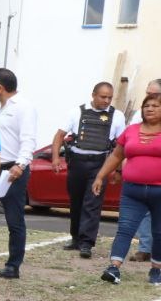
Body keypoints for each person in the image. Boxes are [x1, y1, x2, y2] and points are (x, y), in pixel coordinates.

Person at [50, 81, 125, 258]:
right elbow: (59, 136)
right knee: (76, 201)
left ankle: (86, 243)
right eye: (103, 97)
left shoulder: (118, 116)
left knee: (92, 203)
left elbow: (121, 146)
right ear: (93, 95)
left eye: (109, 97)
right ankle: (75, 238)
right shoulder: (76, 112)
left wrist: (118, 170)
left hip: (100, 164)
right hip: (77, 163)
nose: (107, 101)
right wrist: (55, 158)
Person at [95, 94, 161, 285]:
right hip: (133, 191)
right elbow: (116, 156)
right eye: (146, 105)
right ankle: (114, 268)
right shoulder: (131, 131)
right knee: (125, 229)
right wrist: (100, 176)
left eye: (155, 106)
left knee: (159, 232)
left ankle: (156, 270)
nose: (149, 109)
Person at [0, 68, 37, 279]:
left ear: (0, 87)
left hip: (12, 169)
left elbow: (28, 139)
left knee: (14, 219)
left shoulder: (24, 107)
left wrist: (21, 164)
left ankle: (13, 265)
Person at [126, 78, 161, 263]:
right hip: (143, 180)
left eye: (153, 93)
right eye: (147, 92)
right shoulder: (139, 115)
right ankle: (145, 248)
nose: (149, 97)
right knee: (146, 214)